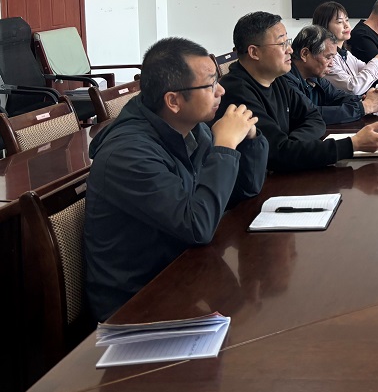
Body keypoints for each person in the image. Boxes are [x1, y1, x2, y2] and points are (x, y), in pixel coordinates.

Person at [85, 38, 268, 321]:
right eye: (210, 85)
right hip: (135, 307)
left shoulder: (192, 129)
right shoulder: (128, 154)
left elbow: (245, 190)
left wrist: (250, 141)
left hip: (184, 274)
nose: (221, 90)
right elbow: (196, 226)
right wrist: (225, 146)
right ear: (173, 101)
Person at [218, 11, 378, 172]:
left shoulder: (276, 80)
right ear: (254, 52)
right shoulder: (237, 93)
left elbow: (314, 117)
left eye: (288, 42)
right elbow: (278, 155)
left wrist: (292, 145)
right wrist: (351, 145)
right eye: (281, 43)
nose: (289, 50)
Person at [285, 24, 378, 124]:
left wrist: (366, 99)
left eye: (333, 58)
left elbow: (337, 97)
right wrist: (364, 107)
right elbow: (310, 113)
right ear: (305, 54)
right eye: (328, 57)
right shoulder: (286, 82)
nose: (331, 64)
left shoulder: (315, 78)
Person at [313, 0, 378, 95]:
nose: (346, 25)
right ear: (324, 27)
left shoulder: (345, 53)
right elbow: (353, 88)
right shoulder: (326, 59)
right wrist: (377, 61)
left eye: (347, 20)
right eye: (339, 22)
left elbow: (365, 69)